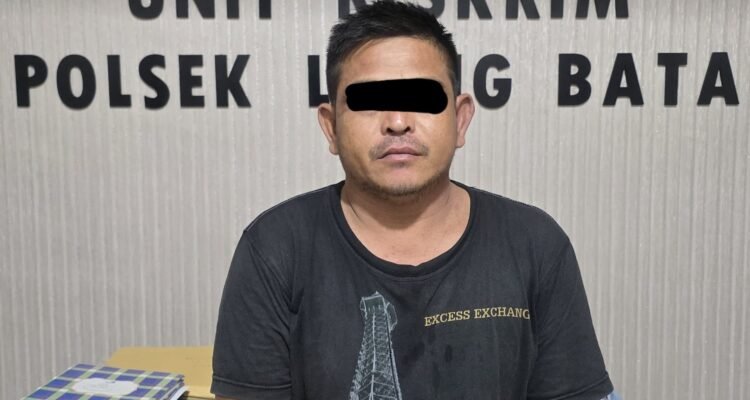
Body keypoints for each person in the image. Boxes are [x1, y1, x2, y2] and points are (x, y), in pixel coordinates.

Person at [212, 2, 618, 399]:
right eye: (369, 102)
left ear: (460, 119)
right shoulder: (274, 250)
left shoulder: (535, 245)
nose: (397, 122)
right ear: (331, 127)